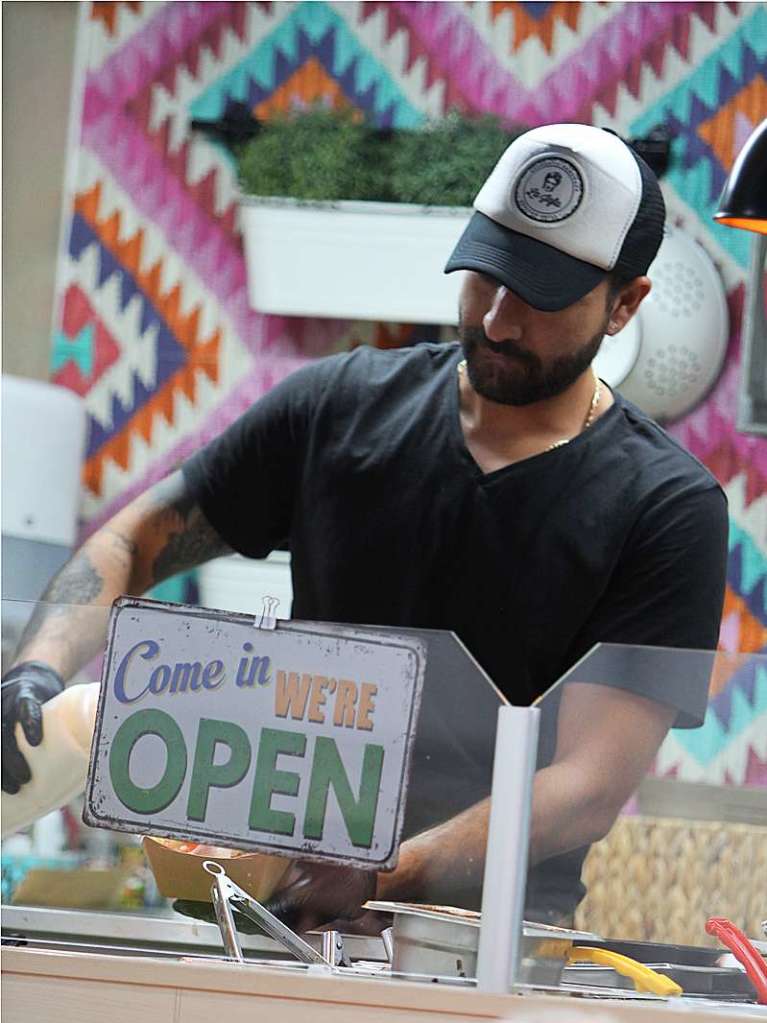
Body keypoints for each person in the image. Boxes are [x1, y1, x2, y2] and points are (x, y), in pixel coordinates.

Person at [1, 124, 727, 930]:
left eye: (540, 295)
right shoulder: (335, 410)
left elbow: (587, 784)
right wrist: (36, 669)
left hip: (485, 946)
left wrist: (385, 872)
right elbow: (133, 544)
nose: (493, 319)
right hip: (278, 919)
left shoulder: (665, 506)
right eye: (485, 273)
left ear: (624, 304)